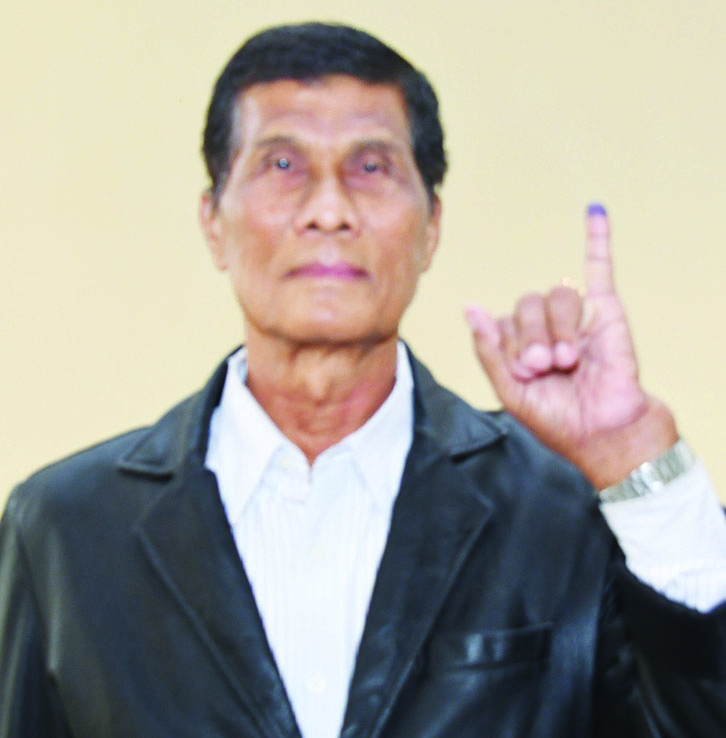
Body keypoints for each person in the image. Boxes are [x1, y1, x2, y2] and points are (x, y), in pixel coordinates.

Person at [1, 21, 726, 738]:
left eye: (371, 167)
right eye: (282, 164)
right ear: (213, 221)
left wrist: (636, 456)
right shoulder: (65, 531)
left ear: (431, 227)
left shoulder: (562, 510)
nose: (329, 210)